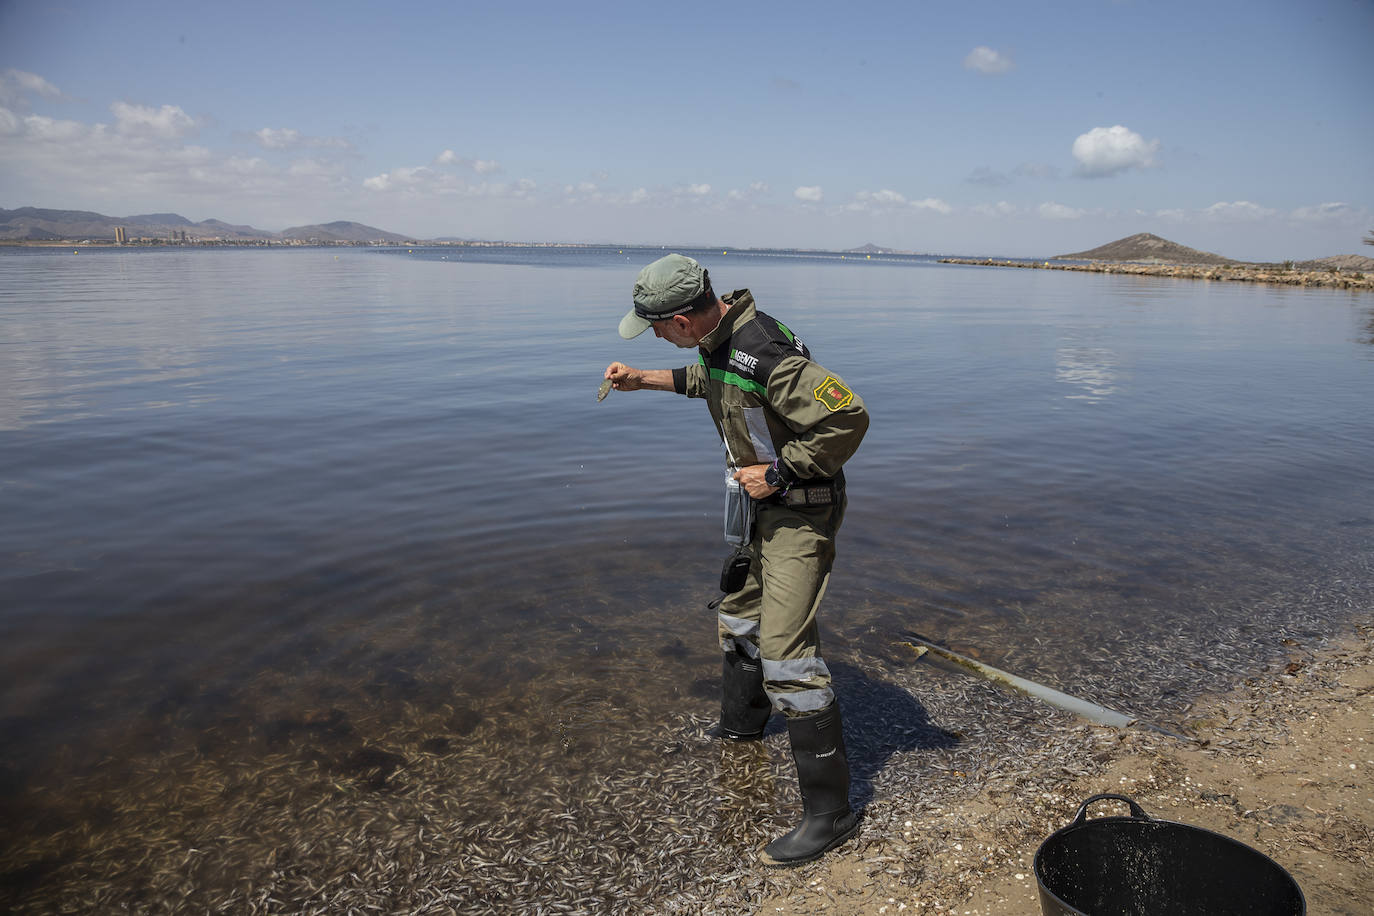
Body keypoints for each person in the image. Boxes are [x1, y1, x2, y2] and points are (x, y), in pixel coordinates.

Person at [604, 253, 869, 866]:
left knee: (786, 653)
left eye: (656, 327)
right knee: (740, 616)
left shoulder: (765, 350)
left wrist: (778, 472)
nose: (655, 335)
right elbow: (715, 383)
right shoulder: (721, 343)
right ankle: (742, 728)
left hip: (799, 511)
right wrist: (642, 378)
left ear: (683, 318)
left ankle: (831, 815)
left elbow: (847, 419)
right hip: (760, 507)